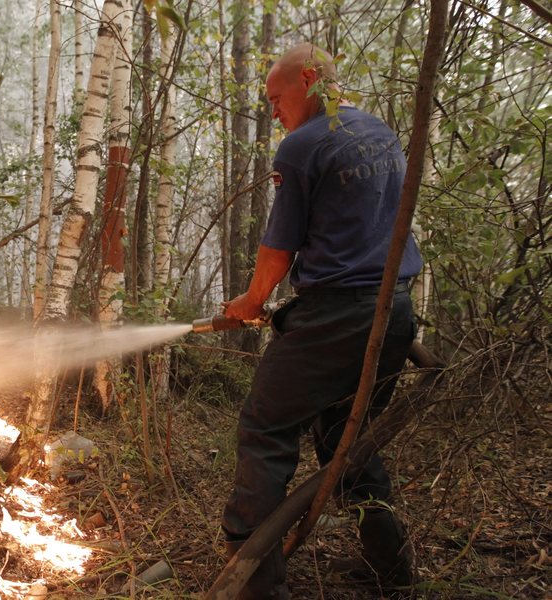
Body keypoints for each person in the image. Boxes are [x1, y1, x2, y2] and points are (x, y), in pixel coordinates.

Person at [221, 43, 422, 598]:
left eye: (276, 97)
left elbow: (278, 250)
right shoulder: (379, 131)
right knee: (346, 438)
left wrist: (252, 300)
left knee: (265, 429)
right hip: (394, 313)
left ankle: (252, 578)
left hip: (336, 317)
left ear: (308, 81)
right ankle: (392, 567)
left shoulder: (302, 146)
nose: (272, 110)